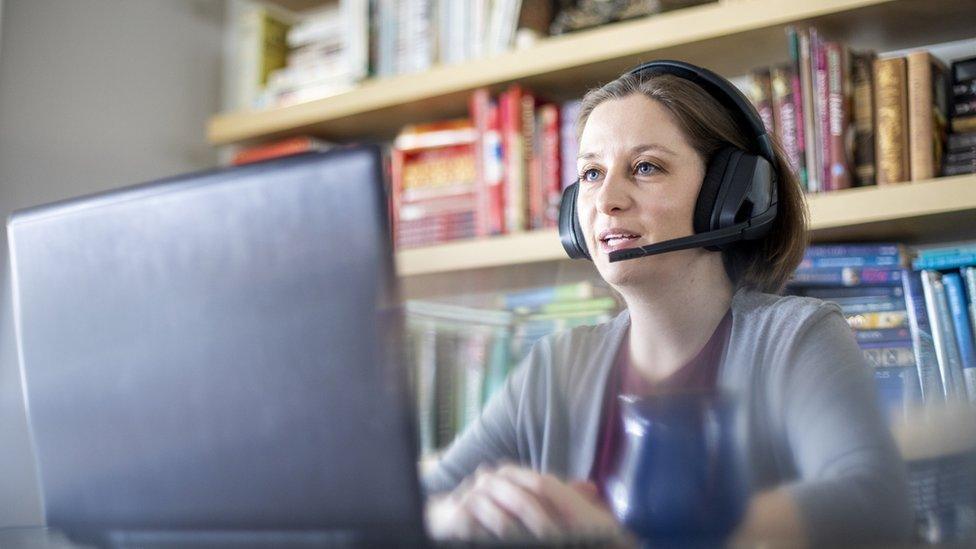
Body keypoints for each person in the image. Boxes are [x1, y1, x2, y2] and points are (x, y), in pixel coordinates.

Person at [422, 61, 913, 546]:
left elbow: (875, 503)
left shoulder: (794, 336)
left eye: (644, 167)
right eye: (591, 173)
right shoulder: (556, 366)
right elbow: (411, 507)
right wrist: (455, 515)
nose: (606, 199)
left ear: (732, 195)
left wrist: (627, 535)